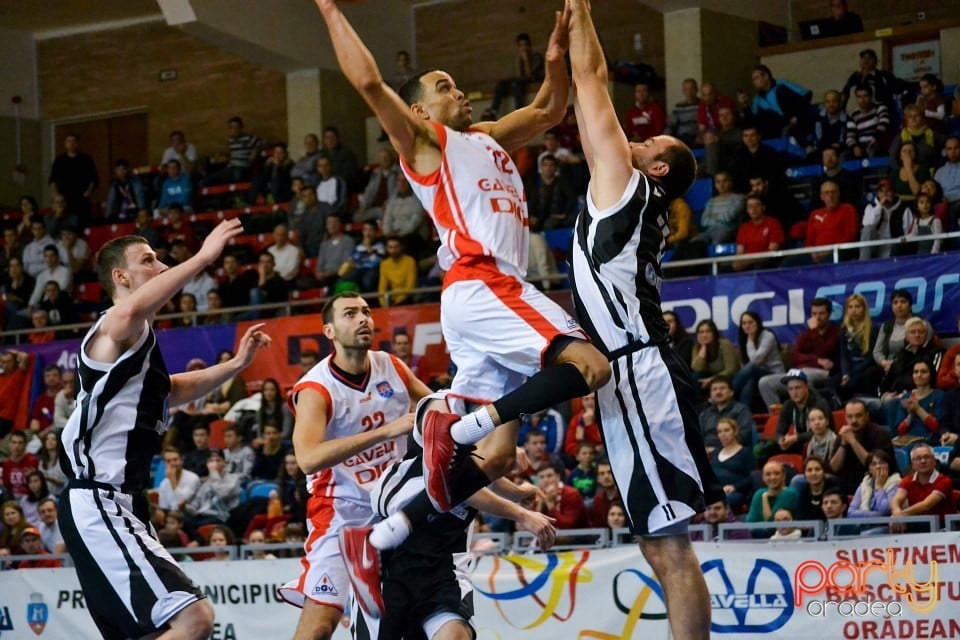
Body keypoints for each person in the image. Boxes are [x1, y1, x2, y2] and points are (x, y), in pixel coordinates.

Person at [318, 0, 610, 602]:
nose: (462, 91)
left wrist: (554, 59)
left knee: (498, 456)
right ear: (421, 108)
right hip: (487, 284)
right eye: (445, 86)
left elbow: (551, 109)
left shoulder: (486, 135)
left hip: (479, 300)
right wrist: (327, 9)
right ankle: (453, 417)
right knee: (590, 366)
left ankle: (393, 526)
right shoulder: (425, 144)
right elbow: (368, 81)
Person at [563, 3, 722, 638]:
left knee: (672, 546)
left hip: (640, 370)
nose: (643, 134)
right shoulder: (622, 184)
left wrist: (579, 15)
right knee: (661, 546)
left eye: (655, 141)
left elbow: (590, 80)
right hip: (629, 373)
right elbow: (583, 94)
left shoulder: (629, 184)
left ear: (656, 169)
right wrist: (575, 30)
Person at [57, 219, 272, 640]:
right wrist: (206, 257)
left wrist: (235, 366)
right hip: (98, 499)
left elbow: (170, 390)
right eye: (149, 260)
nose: (161, 265)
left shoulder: (139, 342)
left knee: (159, 631)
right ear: (121, 277)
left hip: (124, 504)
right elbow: (132, 309)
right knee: (194, 620)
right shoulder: (113, 328)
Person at [277, 292, 432, 639]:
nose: (363, 319)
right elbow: (307, 458)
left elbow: (435, 409)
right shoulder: (316, 388)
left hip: (395, 507)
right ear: (329, 331)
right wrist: (386, 432)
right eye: (350, 314)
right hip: (340, 512)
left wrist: (484, 431)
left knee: (415, 619)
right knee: (319, 627)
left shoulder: (391, 366)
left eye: (366, 311)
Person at [829, 399, 896, 495]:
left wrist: (853, 441)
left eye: (858, 416)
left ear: (867, 416)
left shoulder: (880, 434)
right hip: (851, 483)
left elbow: (876, 468)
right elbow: (834, 468)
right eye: (850, 416)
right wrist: (843, 444)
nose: (854, 420)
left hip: (879, 481)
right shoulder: (845, 434)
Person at [889, 443, 956, 532]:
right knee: (894, 525)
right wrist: (896, 513)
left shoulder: (944, 481)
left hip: (942, 527)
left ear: (934, 461)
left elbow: (926, 505)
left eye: (927, 457)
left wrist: (900, 515)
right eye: (918, 458)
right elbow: (896, 500)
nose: (923, 461)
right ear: (913, 464)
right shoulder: (907, 480)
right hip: (917, 524)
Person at [732, 310, 784, 411]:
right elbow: (745, 365)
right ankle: (744, 415)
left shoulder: (767, 336)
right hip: (757, 376)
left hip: (774, 374)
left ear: (758, 323)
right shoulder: (743, 339)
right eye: (744, 323)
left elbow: (756, 361)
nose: (747, 326)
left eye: (750, 322)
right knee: (749, 384)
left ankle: (730, 391)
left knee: (752, 367)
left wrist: (750, 341)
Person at [490, 32, 545, 117]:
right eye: (521, 46)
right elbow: (519, 76)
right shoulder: (519, 58)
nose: (524, 48)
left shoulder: (536, 57)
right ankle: (493, 110)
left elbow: (529, 75)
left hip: (535, 78)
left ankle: (519, 110)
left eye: (526, 45)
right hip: (522, 80)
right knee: (501, 84)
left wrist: (526, 60)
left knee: (515, 84)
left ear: (530, 46)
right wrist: (519, 61)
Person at [708, 418, 754, 511]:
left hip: (734, 492)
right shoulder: (715, 453)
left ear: (735, 431)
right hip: (715, 492)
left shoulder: (745, 452)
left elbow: (751, 477)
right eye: (719, 431)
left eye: (726, 430)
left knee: (724, 501)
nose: (723, 434)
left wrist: (734, 487)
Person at [699, 377, 754, 451]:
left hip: (732, 452)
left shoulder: (741, 410)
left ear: (731, 392)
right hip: (706, 453)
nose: (718, 392)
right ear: (710, 395)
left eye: (722, 388)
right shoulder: (705, 414)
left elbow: (744, 435)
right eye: (714, 389)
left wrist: (718, 450)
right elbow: (698, 436)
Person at [848, 449, 901, 519]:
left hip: (886, 526)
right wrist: (876, 515)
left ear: (888, 466)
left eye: (882, 463)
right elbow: (851, 513)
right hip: (866, 525)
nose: (878, 466)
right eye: (874, 464)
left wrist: (879, 487)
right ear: (869, 470)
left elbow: (885, 510)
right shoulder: (864, 484)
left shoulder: (896, 484)